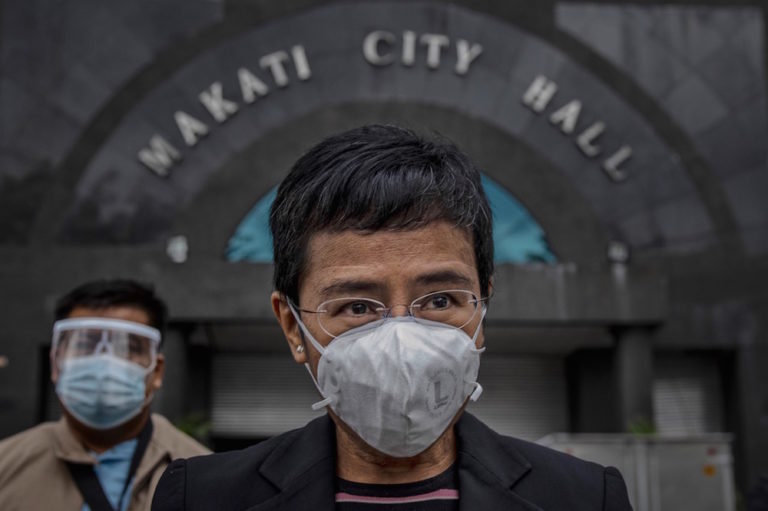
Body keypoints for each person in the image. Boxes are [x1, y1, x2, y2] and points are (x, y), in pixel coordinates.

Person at [152, 125, 632, 510]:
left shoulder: (586, 498)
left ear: (482, 308)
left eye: (440, 300)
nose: (403, 339)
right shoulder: (201, 497)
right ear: (293, 327)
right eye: (357, 306)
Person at [0, 279, 210, 511]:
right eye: (86, 344)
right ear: (56, 363)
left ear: (157, 369)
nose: (104, 363)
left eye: (127, 347)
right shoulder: (6, 466)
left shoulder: (205, 474)